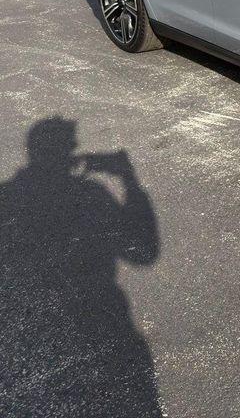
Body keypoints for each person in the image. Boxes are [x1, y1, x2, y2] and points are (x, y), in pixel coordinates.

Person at [0, 117, 161, 417]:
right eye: (71, 143)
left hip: (27, 340)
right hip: (100, 326)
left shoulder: (5, 197)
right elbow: (143, 252)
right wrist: (128, 177)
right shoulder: (91, 194)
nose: (75, 148)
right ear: (62, 149)